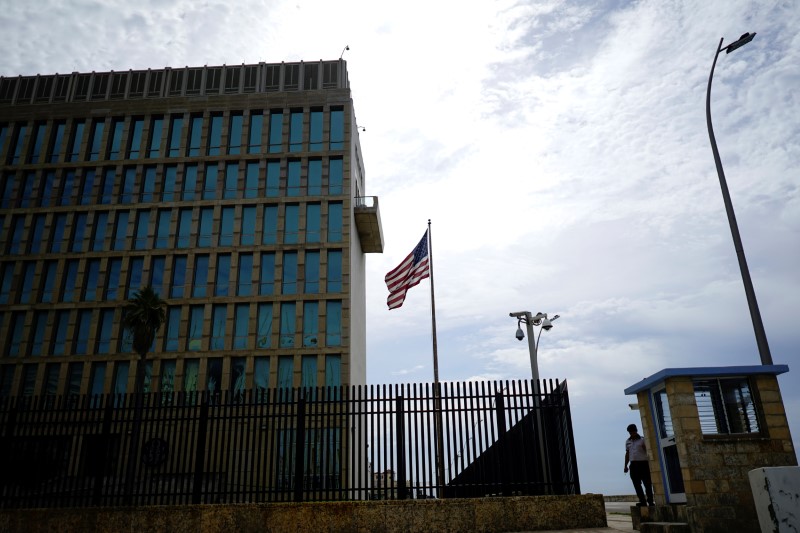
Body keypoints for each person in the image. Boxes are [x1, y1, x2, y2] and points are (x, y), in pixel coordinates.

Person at [624, 423, 654, 507]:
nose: (631, 433)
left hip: (643, 463)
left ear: (636, 431)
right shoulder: (628, 441)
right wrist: (625, 465)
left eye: (633, 431)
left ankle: (650, 501)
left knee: (647, 484)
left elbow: (647, 451)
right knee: (636, 484)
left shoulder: (642, 440)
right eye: (630, 432)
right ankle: (642, 501)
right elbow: (627, 454)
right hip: (633, 464)